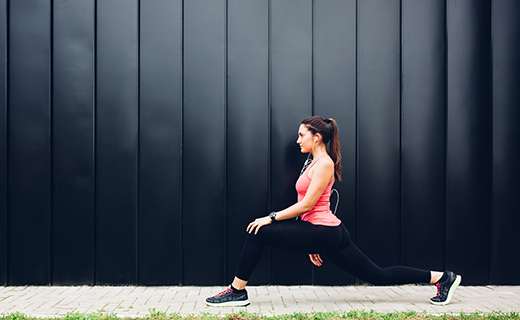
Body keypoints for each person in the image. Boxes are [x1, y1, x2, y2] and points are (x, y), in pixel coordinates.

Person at [206, 116, 461, 307]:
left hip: (324, 231)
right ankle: (442, 278)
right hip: (324, 232)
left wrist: (270, 217)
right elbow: (311, 209)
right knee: (377, 275)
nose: (297, 140)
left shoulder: (325, 163)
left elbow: (307, 206)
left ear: (316, 136)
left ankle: (237, 291)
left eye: (301, 135)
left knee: (258, 231)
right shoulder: (314, 162)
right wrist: (310, 240)